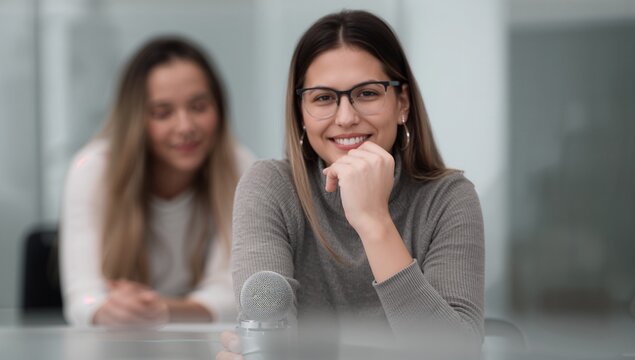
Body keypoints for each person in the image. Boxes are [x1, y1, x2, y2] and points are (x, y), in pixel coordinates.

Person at [219, 9, 484, 357]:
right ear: (301, 112)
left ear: (401, 103)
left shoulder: (449, 198)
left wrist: (375, 222)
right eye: (323, 98)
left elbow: (454, 353)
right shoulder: (270, 187)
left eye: (368, 93)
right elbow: (269, 339)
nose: (346, 118)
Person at [60, 36, 252, 327]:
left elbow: (234, 295)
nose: (185, 127)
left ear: (219, 109)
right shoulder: (93, 169)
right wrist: (105, 309)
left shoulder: (241, 168)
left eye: (199, 107)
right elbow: (82, 298)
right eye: (162, 113)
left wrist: (160, 310)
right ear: (136, 120)